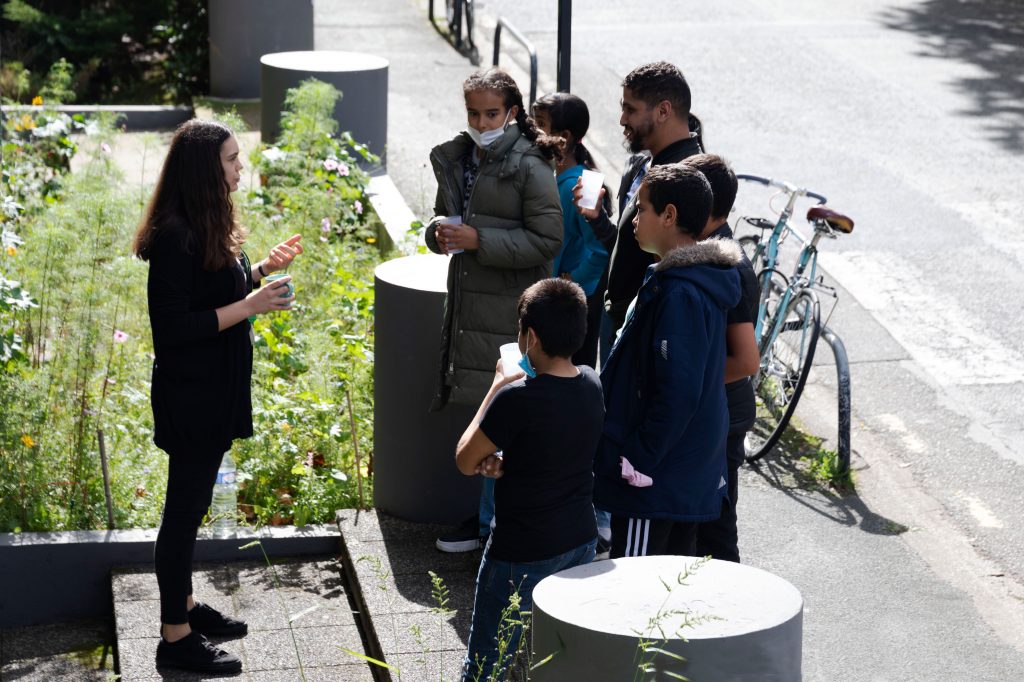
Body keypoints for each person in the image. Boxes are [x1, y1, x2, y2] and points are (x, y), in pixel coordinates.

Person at [132, 119, 303, 674]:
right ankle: (175, 638)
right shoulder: (176, 235)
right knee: (182, 514)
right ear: (207, 169)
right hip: (192, 396)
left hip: (213, 390)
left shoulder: (205, 224)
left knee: (192, 506)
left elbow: (215, 290)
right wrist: (252, 306)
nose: (239, 167)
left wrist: (260, 271)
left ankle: (182, 604)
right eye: (232, 159)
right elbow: (175, 328)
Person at [425, 67, 563, 554]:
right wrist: (438, 234)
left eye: (491, 113)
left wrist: (480, 240)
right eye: (473, 113)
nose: (481, 123)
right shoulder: (461, 156)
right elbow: (443, 216)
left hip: (510, 310)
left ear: (512, 113)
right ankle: (488, 524)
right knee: (491, 416)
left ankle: (495, 527)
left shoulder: (529, 164)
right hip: (469, 306)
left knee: (505, 416)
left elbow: (549, 239)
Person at [455, 278, 602, 681]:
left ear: (531, 337)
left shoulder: (515, 398)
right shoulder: (591, 383)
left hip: (521, 550)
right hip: (579, 540)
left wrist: (497, 385)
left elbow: (465, 459)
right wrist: (505, 462)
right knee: (553, 659)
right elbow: (552, 448)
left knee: (488, 662)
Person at [594, 164, 740, 559]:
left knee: (637, 592)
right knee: (667, 593)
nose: (634, 219)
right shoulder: (696, 280)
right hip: (677, 474)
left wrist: (636, 458)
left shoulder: (680, 293)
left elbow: (679, 391)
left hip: (653, 480)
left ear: (670, 215)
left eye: (641, 209)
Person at [573, 61, 705, 363]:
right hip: (619, 321)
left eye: (631, 110)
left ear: (663, 111)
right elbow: (630, 245)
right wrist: (599, 220)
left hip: (644, 333)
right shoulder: (641, 164)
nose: (622, 119)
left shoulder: (689, 176)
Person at [685, 154, 760, 562]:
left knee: (716, 530)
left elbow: (747, 360)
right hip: (716, 410)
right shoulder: (707, 252)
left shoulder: (728, 266)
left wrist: (690, 380)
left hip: (724, 414)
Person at [531, 92, 610, 369]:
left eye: (539, 123)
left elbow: (602, 250)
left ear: (563, 136)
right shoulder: (552, 175)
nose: (533, 129)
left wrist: (572, 280)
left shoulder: (584, 184)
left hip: (570, 310)